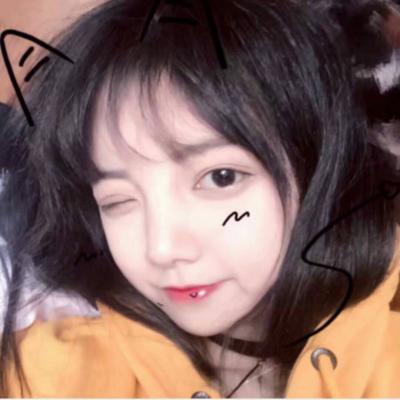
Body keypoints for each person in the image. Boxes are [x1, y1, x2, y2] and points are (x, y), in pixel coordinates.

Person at [0, 0, 400, 398]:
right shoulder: (48, 374)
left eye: (220, 178)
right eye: (117, 201)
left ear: (316, 167)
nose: (161, 249)